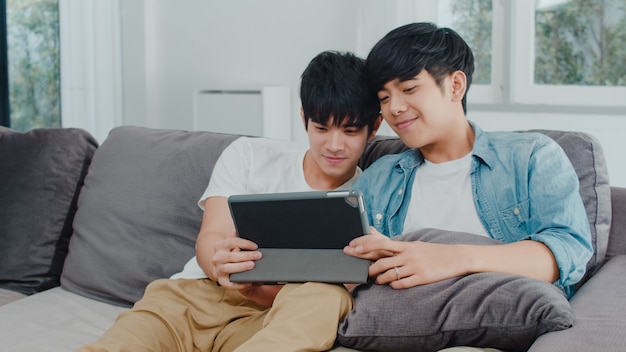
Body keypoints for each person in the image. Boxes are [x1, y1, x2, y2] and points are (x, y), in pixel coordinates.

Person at [80, 50, 381, 352]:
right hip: (196, 297)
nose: (334, 145)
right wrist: (219, 263)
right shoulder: (248, 154)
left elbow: (344, 287)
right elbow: (210, 237)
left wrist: (259, 291)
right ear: (304, 118)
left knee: (328, 297)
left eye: (350, 131)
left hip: (272, 318)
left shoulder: (374, 198)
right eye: (321, 128)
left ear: (374, 128)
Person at [343, 22, 593, 299]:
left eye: (409, 89)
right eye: (384, 97)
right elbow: (345, 268)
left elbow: (568, 252)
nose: (395, 108)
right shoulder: (379, 178)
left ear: (455, 86)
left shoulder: (531, 156)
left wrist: (453, 258)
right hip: (402, 321)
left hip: (500, 319)